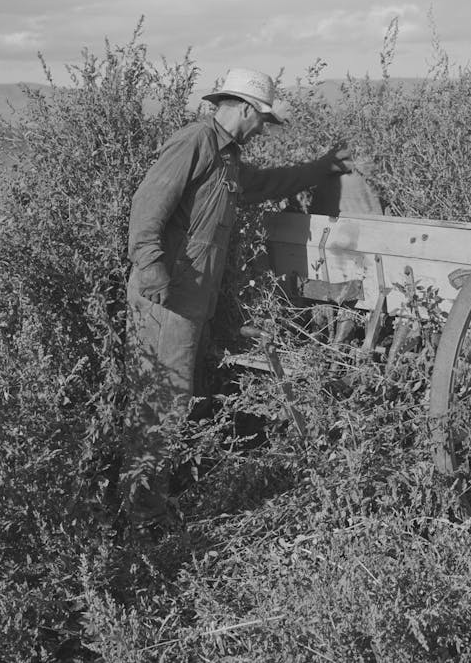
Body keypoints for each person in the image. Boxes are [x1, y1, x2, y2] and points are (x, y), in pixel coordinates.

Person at [125, 67, 351, 528]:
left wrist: (318, 169)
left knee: (170, 395)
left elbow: (262, 186)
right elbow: (147, 206)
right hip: (167, 295)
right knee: (162, 399)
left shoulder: (226, 158)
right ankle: (143, 514)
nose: (262, 131)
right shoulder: (196, 142)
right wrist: (151, 268)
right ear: (245, 109)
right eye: (262, 122)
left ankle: (149, 499)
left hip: (188, 297)